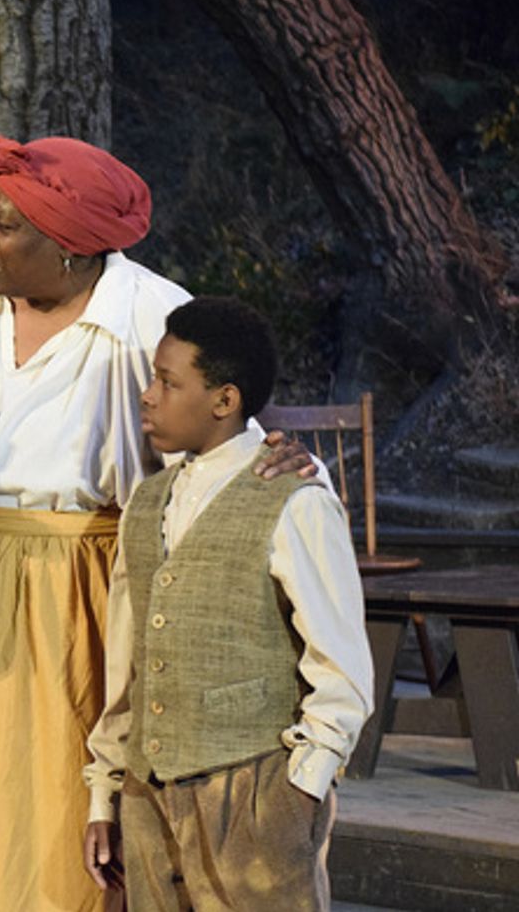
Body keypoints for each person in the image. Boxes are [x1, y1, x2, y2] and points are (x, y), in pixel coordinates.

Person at [0, 134, 314, 912]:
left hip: (69, 600)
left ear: (67, 246)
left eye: (4, 224)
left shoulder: (147, 316)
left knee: (43, 822)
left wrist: (289, 469)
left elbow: (219, 442)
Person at [82, 297, 373, 910]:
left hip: (254, 792)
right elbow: (126, 668)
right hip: (148, 795)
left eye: (169, 381)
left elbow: (342, 665)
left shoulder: (294, 496)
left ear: (224, 400)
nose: (149, 395)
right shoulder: (147, 501)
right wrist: (105, 792)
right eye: (152, 378)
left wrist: (303, 788)